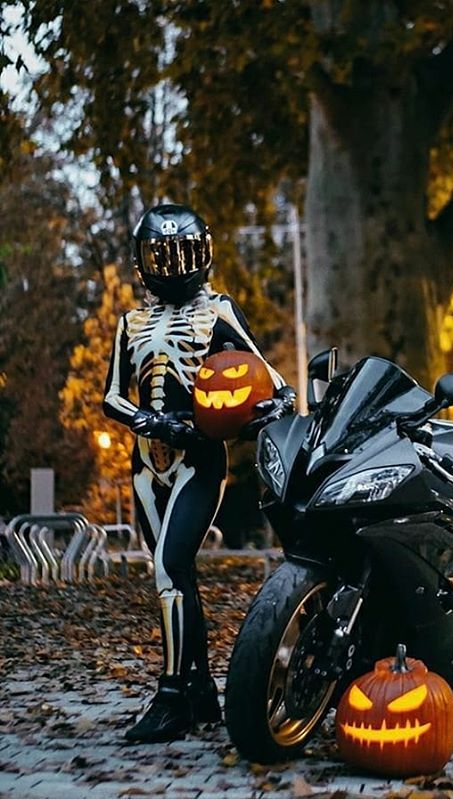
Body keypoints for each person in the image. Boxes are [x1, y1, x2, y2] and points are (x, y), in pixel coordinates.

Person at [103, 203, 295, 743]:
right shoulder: (130, 323)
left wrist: (265, 411)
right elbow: (112, 396)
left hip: (197, 459)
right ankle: (201, 693)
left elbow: (269, 378)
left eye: (181, 252)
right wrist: (147, 419)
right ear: (141, 262)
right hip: (145, 463)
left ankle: (170, 699)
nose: (170, 263)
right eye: (159, 254)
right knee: (176, 575)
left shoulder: (217, 312)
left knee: (169, 567)